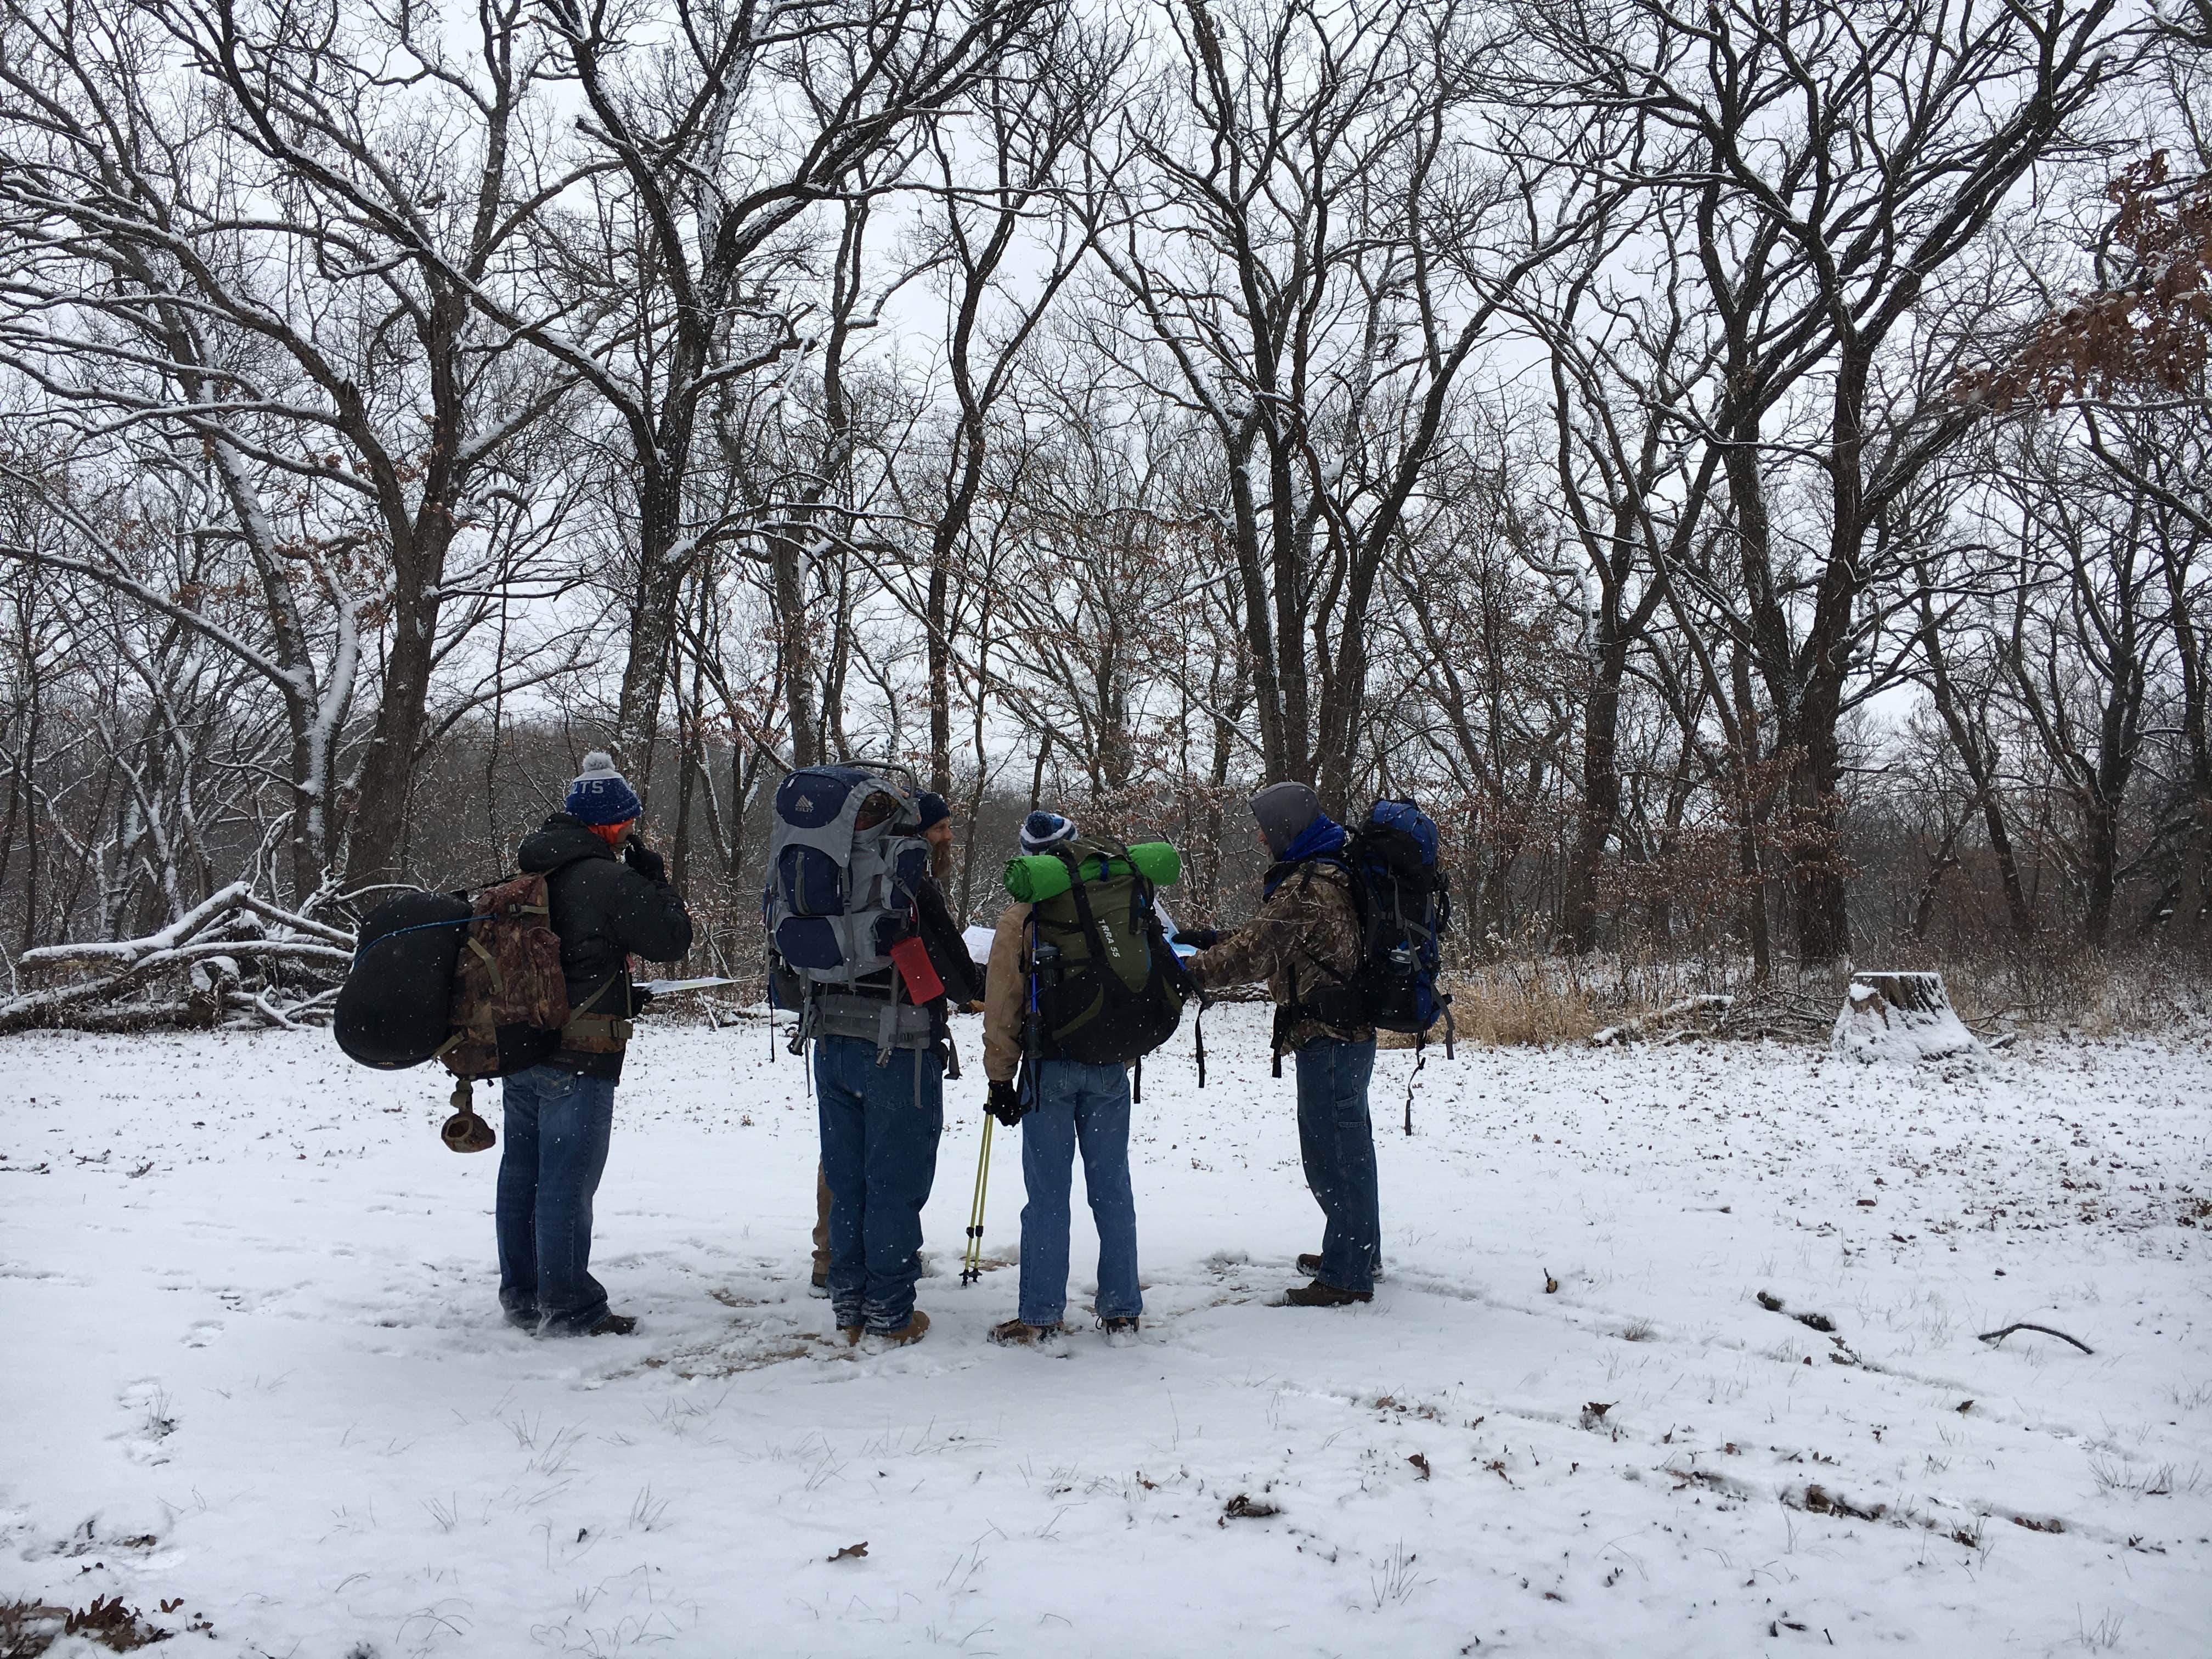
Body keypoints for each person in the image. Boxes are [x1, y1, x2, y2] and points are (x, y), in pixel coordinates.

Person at [499, 752, 694, 1336]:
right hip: (580, 1056)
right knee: (566, 1181)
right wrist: (654, 881)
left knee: (522, 1173)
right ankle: (571, 1308)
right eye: (628, 822)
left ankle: (523, 1295)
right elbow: (672, 939)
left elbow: (570, 958)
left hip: (521, 1047)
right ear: (611, 825)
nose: (631, 831)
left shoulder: (529, 874)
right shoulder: (608, 880)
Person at [1179, 783, 1379, 1307]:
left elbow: (1253, 956)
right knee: (1352, 1150)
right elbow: (1268, 937)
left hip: (1327, 1037)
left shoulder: (1308, 887)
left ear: (1289, 827)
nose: (1263, 836)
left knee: (1333, 1156)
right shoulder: (1331, 869)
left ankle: (1347, 1274)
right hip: (1348, 1036)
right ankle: (1359, 1250)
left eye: (1268, 827)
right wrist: (1213, 936)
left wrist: (1180, 969)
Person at [803, 787, 981, 1350]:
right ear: (914, 833)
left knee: (848, 1179)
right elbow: (957, 977)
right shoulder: (908, 888)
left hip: (830, 1042)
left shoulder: (831, 878)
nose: (948, 837)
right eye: (942, 828)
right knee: (893, 1182)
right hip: (896, 1051)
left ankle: (849, 1307)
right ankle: (891, 1313)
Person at [979, 809, 1144, 1346]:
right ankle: (1121, 1307)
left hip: (1048, 1068)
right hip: (1109, 1067)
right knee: (1112, 1188)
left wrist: (1000, 1080)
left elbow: (1002, 1006)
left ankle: (1041, 1314)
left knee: (1048, 1194)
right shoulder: (1115, 902)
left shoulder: (1021, 917)